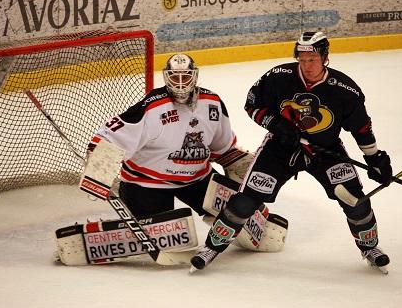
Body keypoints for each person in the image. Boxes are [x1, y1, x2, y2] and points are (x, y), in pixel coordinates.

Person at [190, 31, 393, 272]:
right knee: (246, 201)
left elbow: (361, 128)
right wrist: (276, 124)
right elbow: (252, 104)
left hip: (325, 152)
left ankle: (370, 248)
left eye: (313, 59)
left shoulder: (345, 89)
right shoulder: (279, 77)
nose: (307, 66)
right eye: (303, 59)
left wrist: (374, 157)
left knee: (355, 201)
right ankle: (212, 246)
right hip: (280, 149)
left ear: (325, 57)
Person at [85, 53, 287, 257]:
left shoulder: (212, 103)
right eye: (174, 77)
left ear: (195, 76)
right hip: (148, 184)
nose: (180, 84)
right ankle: (126, 198)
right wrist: (99, 168)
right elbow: (112, 136)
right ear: (166, 77)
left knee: (264, 236)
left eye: (185, 77)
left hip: (197, 179)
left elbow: (222, 147)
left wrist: (240, 164)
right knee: (172, 243)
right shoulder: (152, 107)